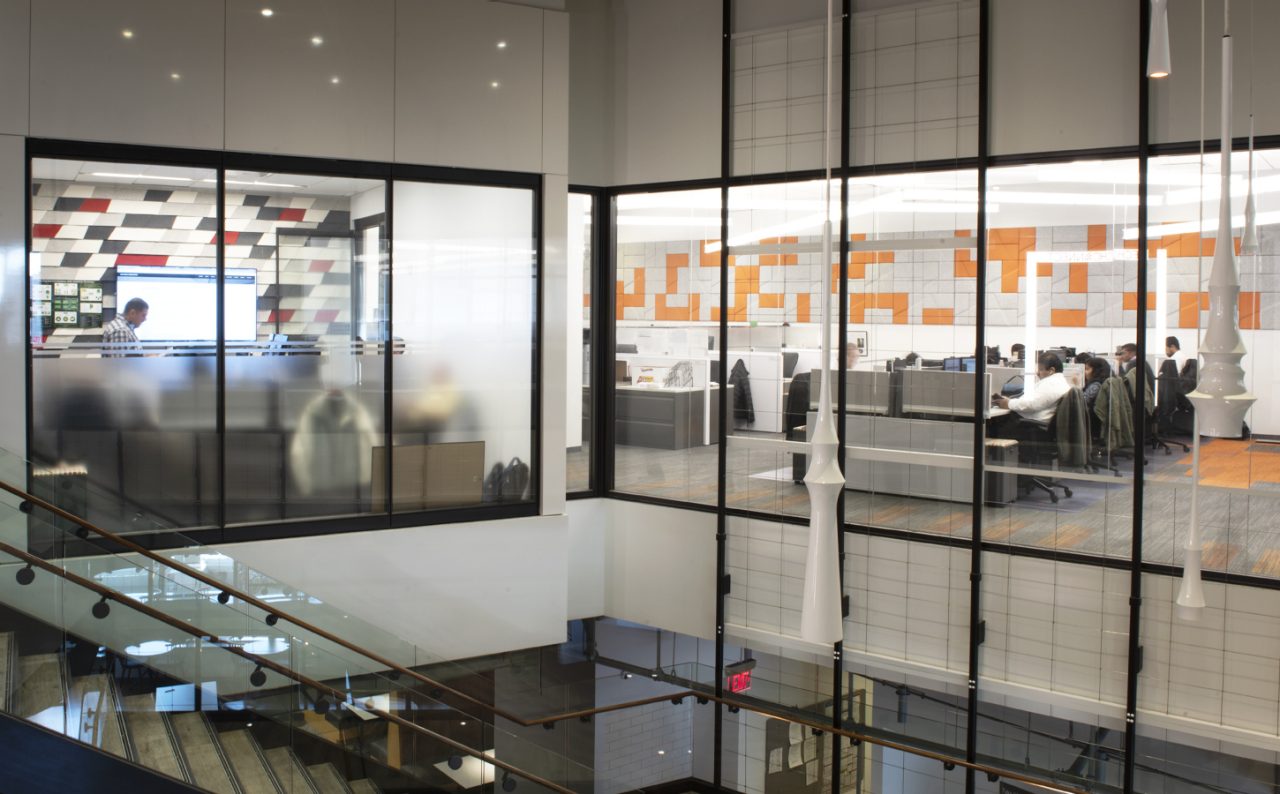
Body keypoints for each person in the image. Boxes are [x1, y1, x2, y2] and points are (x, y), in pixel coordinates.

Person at [995, 352, 1071, 423]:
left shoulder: (1053, 384)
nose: (1037, 373)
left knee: (992, 424)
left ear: (1051, 370)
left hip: (1030, 426)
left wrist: (1009, 403)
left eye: (1040, 369)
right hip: (1032, 423)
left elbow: (1032, 404)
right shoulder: (1059, 382)